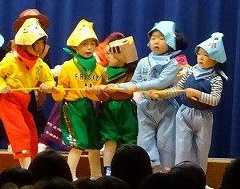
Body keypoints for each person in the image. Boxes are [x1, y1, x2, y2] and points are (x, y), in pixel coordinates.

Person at [118, 20, 188, 171]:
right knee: (144, 140)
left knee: (165, 143)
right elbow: (134, 81)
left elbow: (160, 82)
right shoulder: (143, 62)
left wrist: (135, 87)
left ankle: (167, 172)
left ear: (170, 42)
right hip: (145, 107)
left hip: (166, 108)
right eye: (153, 38)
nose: (156, 41)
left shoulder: (172, 64)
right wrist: (114, 87)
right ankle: (149, 170)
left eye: (161, 38)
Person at [0, 17, 57, 168]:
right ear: (26, 43)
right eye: (36, 43)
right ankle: (26, 170)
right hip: (8, 101)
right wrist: (2, 86)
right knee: (20, 132)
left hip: (24, 102)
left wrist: (48, 86)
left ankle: (32, 166)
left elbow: (49, 79)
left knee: (32, 133)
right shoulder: (10, 60)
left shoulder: (39, 64)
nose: (40, 47)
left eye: (42, 43)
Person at [51, 19, 106, 179]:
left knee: (94, 143)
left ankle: (96, 175)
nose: (89, 48)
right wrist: (57, 91)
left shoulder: (98, 68)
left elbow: (101, 93)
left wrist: (99, 92)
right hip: (73, 106)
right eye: (84, 44)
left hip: (90, 107)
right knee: (79, 142)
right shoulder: (68, 67)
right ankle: (70, 175)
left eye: (92, 44)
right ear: (75, 46)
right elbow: (61, 89)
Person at [171, 32, 227, 171]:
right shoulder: (190, 71)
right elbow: (178, 89)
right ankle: (179, 177)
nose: (201, 57)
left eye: (206, 55)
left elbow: (215, 100)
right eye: (199, 53)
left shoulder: (216, 78)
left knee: (201, 151)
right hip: (184, 114)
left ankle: (200, 178)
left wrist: (198, 94)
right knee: (182, 149)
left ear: (216, 59)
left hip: (203, 117)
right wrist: (161, 94)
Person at [96, 33, 139, 166]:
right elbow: (101, 95)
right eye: (107, 52)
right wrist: (99, 91)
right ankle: (108, 171)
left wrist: (118, 88)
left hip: (126, 109)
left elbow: (134, 87)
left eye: (111, 53)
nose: (107, 55)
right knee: (110, 141)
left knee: (129, 141)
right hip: (109, 110)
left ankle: (127, 171)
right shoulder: (104, 72)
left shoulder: (131, 73)